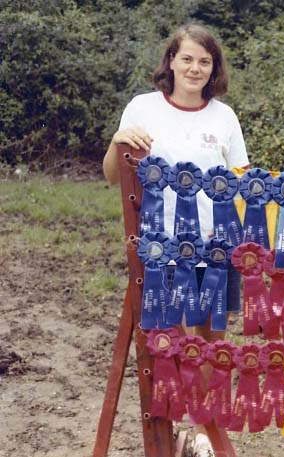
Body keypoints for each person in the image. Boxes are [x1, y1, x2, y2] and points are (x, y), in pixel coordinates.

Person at [102, 23, 249, 455]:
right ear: (171, 61)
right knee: (167, 342)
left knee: (208, 340)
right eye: (187, 58)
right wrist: (117, 143)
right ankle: (167, 434)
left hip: (214, 246)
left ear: (213, 68)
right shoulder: (142, 108)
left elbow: (239, 183)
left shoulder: (224, 117)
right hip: (160, 247)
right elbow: (113, 174)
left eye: (204, 61)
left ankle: (202, 434)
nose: (195, 68)